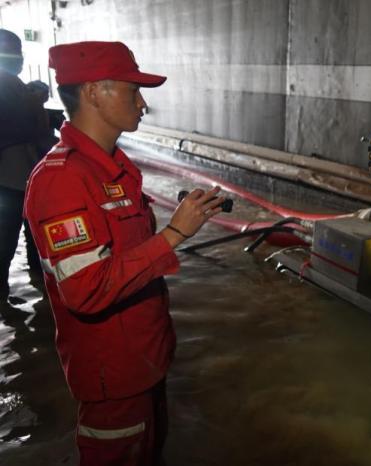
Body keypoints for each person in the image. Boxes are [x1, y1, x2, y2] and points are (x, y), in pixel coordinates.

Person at [23, 41, 225, 465]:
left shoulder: (114, 168)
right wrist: (173, 234)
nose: (142, 103)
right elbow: (86, 290)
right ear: (94, 91)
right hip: (112, 377)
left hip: (144, 361)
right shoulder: (62, 181)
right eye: (132, 90)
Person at [0, 29, 46, 302]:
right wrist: (32, 105)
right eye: (13, 51)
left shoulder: (16, 85)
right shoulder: (8, 87)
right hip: (9, 183)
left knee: (36, 245)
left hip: (27, 180)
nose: (18, 57)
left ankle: (42, 306)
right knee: (6, 246)